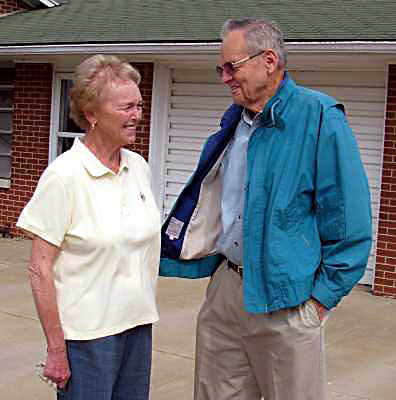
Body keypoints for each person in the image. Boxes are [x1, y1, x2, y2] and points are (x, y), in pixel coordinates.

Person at [159, 18, 372, 400]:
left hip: (287, 300)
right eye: (220, 68)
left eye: (232, 66)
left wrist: (320, 302)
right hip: (226, 289)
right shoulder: (234, 122)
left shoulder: (320, 117)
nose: (224, 77)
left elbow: (349, 224)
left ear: (269, 60)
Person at [17, 54, 161, 400]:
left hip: (137, 327)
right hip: (86, 339)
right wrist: (56, 349)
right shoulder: (64, 176)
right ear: (92, 115)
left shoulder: (138, 167)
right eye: (126, 107)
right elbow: (40, 269)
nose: (137, 115)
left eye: (138, 105)